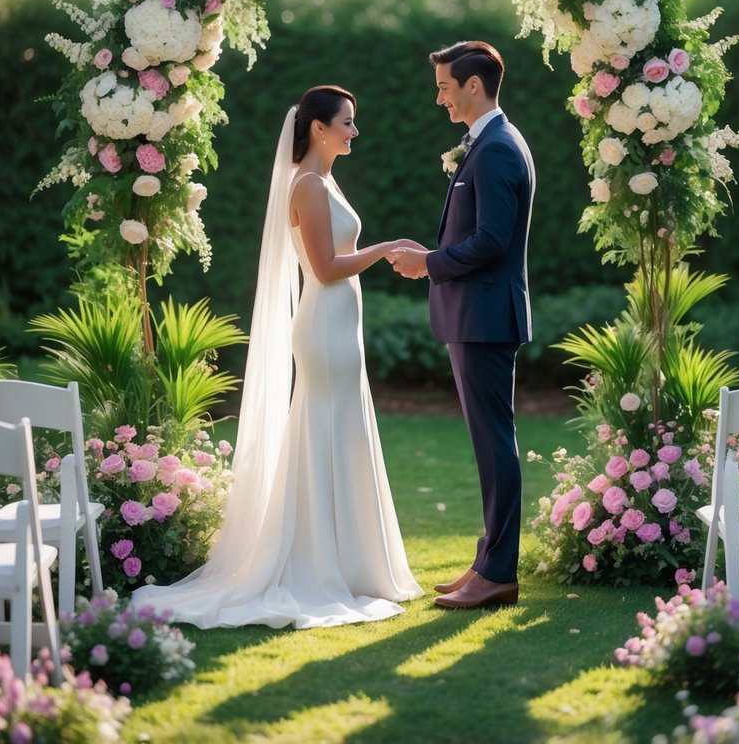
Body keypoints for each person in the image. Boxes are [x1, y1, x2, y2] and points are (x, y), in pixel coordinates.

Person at [133, 85, 423, 629]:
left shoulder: (324, 180)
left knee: (344, 430)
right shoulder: (309, 185)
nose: (353, 131)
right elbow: (326, 267)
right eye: (347, 123)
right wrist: (386, 248)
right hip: (324, 324)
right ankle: (317, 562)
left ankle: (348, 561)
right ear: (318, 128)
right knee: (327, 430)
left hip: (340, 324)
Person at [390, 41, 535, 610]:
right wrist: (433, 256)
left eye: (445, 86)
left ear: (474, 86)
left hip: (485, 317)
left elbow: (493, 241)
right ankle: (487, 560)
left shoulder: (498, 148)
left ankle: (498, 573)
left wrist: (429, 262)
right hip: (475, 315)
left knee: (496, 446)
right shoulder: (488, 143)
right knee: (488, 445)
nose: (440, 97)